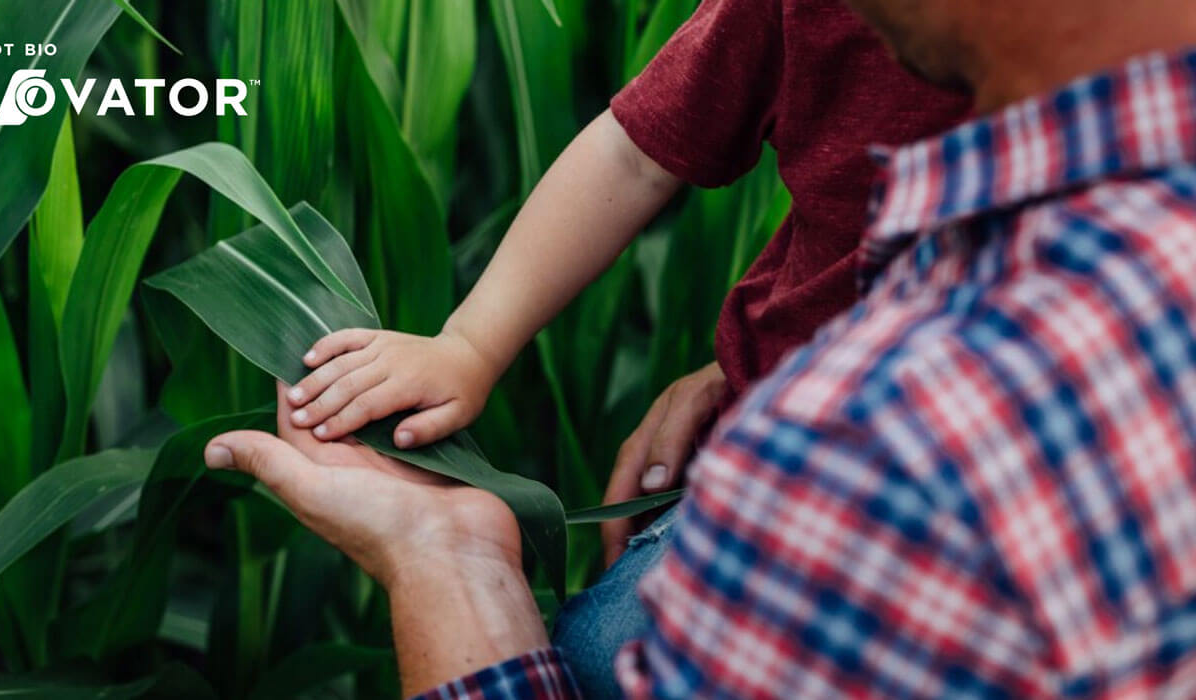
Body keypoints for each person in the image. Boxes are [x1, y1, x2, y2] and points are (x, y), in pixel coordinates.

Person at [205, 0, 1196, 695]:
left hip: (847, 496)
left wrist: (440, 565)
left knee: (596, 653)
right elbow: (637, 150)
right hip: (801, 436)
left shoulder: (885, 429)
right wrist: (471, 340)